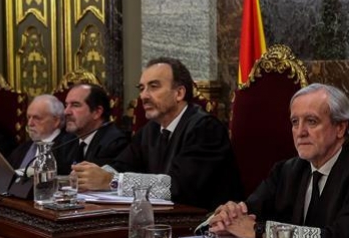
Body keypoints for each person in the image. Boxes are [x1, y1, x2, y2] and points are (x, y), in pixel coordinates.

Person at [205, 84, 349, 238]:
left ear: (340, 128)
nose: (300, 132)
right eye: (295, 122)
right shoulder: (285, 171)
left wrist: (259, 230)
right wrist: (226, 218)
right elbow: (249, 211)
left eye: (311, 121)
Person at [72, 57, 242, 210]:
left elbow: (177, 187)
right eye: (142, 88)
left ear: (179, 93)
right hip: (163, 219)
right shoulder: (150, 130)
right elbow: (122, 165)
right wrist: (89, 175)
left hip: (204, 226)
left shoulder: (205, 129)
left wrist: (111, 181)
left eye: (153, 87)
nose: (143, 96)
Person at [0, 94, 74, 175]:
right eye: (28, 117)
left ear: (56, 121)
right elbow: (10, 172)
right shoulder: (24, 147)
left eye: (37, 118)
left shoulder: (69, 146)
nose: (30, 123)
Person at [55, 84, 128, 170]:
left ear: (97, 112)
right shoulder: (67, 141)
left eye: (75, 105)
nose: (66, 112)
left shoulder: (115, 143)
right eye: (66, 105)